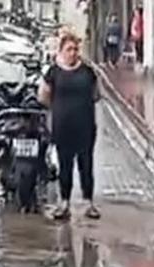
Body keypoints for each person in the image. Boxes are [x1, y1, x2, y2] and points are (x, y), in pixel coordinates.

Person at [39, 33, 101, 220]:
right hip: (63, 127)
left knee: (86, 164)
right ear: (61, 51)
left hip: (85, 126)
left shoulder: (87, 72)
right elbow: (43, 96)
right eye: (69, 49)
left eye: (75, 49)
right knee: (65, 165)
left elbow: (96, 95)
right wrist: (58, 109)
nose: (73, 53)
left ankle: (88, 202)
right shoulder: (53, 72)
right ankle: (64, 202)